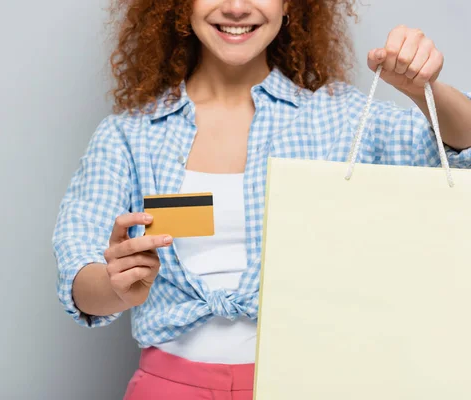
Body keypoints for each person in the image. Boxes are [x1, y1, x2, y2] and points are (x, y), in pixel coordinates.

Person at [52, 0, 471, 398]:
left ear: (290, 4)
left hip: (312, 385)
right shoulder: (129, 135)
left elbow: (459, 157)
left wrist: (425, 89)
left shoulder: (340, 118)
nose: (237, 7)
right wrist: (116, 285)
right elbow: (78, 276)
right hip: (168, 386)